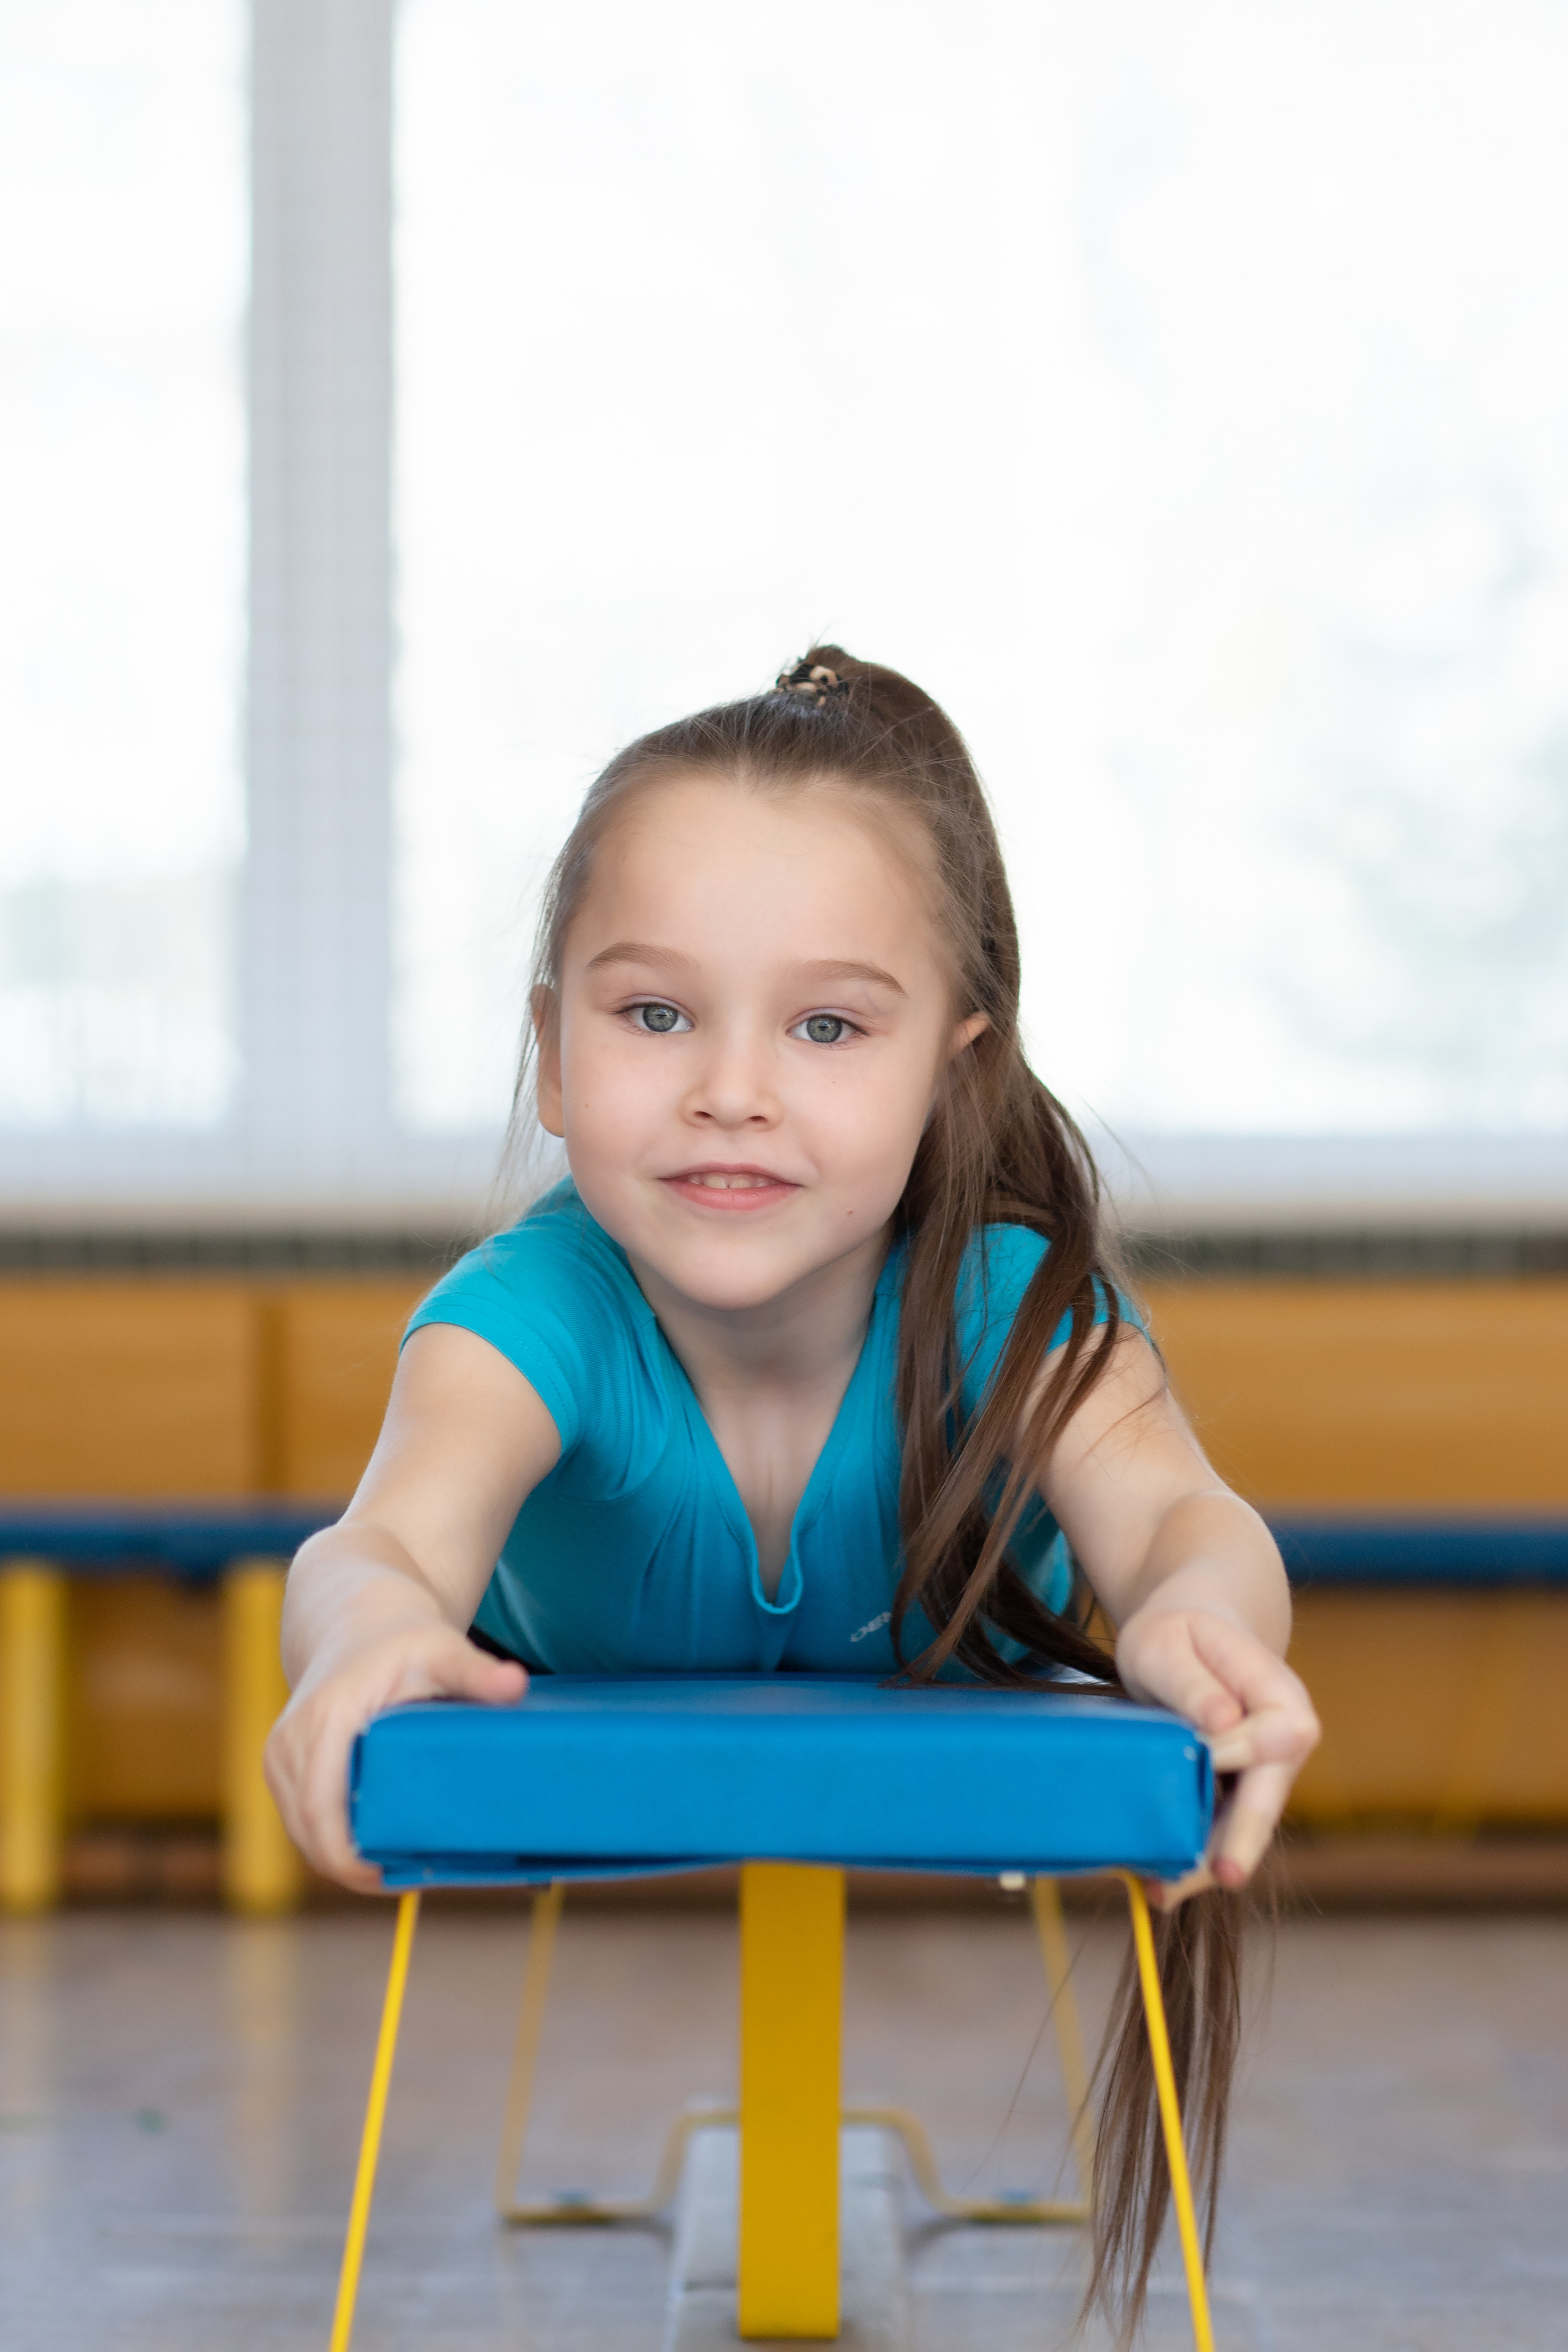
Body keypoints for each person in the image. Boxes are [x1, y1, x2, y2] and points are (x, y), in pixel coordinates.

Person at [266, 647, 1319, 2331]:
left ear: (951, 1071)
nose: (730, 1087)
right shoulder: (522, 1318)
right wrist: (365, 1636)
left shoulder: (1014, 1301)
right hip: (588, 1669)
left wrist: (1201, 1619)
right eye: (654, 1013)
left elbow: (1187, 1520)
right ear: (552, 1051)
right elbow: (381, 1540)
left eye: (827, 1025)